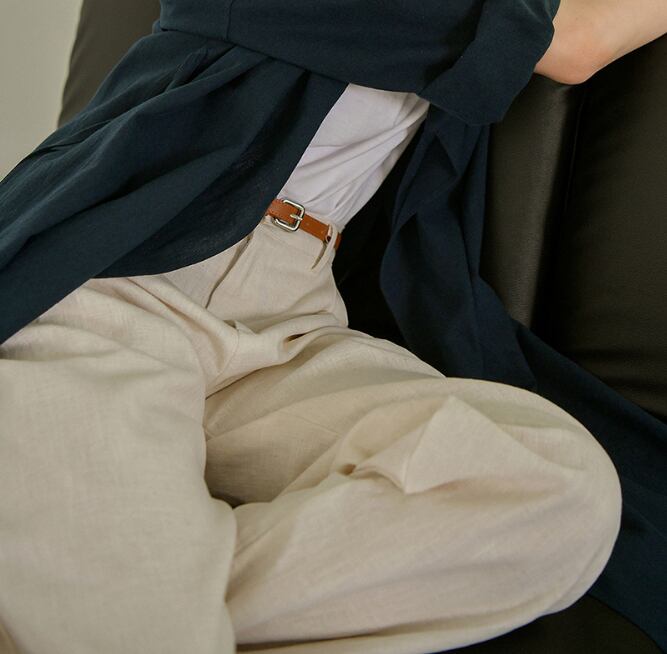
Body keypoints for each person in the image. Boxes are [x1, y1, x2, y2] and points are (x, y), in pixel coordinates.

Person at [1, 1, 665, 652]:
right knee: (131, 621)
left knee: (554, 482)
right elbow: (578, 41)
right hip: (118, 283)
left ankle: (137, 588)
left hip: (294, 318)